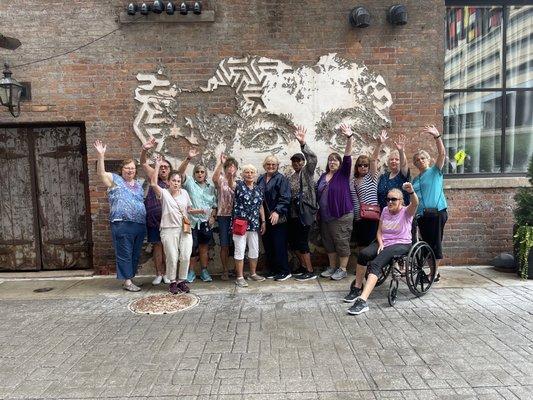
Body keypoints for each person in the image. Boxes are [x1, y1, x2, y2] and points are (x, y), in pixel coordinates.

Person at [346, 183, 419, 315]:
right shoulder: (385, 210)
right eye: (388, 199)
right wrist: (380, 243)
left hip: (401, 244)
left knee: (376, 264)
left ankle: (362, 301)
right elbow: (379, 231)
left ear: (401, 201)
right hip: (384, 242)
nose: (390, 202)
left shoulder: (406, 212)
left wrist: (411, 192)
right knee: (363, 254)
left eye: (394, 199)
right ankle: (357, 288)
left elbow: (415, 204)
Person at [93, 140, 146, 292]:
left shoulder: (139, 184)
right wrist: (101, 155)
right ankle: (127, 282)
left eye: (133, 168)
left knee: (135, 253)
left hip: (139, 224)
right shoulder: (115, 180)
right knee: (125, 253)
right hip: (122, 223)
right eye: (127, 168)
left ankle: (130, 278)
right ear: (121, 169)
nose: (130, 170)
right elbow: (101, 173)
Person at [150, 156, 203, 294]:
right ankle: (172, 281)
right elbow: (154, 184)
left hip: (184, 229)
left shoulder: (185, 193)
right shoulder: (164, 194)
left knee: (185, 255)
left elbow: (189, 209)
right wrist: (156, 166)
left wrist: (200, 211)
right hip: (168, 229)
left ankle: (182, 281)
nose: (176, 183)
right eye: (173, 180)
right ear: (168, 182)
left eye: (178, 181)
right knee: (172, 256)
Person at [317, 124, 354, 281]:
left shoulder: (343, 174)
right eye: (330, 160)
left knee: (341, 242)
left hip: (341, 215)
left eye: (335, 160)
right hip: (325, 216)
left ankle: (343, 269)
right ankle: (332, 267)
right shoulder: (323, 176)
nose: (332, 162)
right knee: (329, 243)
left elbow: (347, 156)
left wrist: (349, 137)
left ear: (339, 164)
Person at [412, 125, 448, 282]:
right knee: (426, 245)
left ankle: (434, 274)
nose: (420, 161)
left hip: (436, 213)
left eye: (423, 158)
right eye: (417, 160)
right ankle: (435, 273)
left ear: (429, 160)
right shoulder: (415, 179)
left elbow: (442, 153)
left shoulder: (435, 171)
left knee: (435, 245)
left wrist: (437, 136)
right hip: (422, 216)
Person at [177, 148, 218, 283]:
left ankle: (204, 271)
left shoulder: (210, 187)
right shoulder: (189, 183)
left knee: (204, 248)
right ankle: (191, 272)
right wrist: (188, 158)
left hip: (205, 223)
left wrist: (213, 216)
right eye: (197, 172)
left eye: (202, 172)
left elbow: (214, 205)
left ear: (205, 174)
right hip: (191, 222)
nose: (200, 174)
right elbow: (180, 172)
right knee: (191, 248)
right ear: (194, 174)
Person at [286, 125, 318, 281]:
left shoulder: (307, 172)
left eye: (299, 161)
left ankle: (310, 271)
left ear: (303, 162)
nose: (297, 163)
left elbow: (313, 159)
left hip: (304, 213)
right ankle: (303, 266)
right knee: (295, 242)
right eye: (294, 161)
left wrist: (303, 144)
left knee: (303, 242)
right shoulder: (291, 177)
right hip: (293, 214)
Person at [140, 137, 171, 285]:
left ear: (170, 170)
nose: (163, 169)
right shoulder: (154, 176)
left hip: (169, 220)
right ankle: (159, 273)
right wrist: (145, 149)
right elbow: (143, 163)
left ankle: (167, 273)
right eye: (161, 167)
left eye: (166, 167)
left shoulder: (173, 182)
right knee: (157, 246)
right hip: (153, 219)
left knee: (167, 247)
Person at [257, 155, 291, 281]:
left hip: (278, 217)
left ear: (277, 166)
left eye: (273, 164)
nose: (270, 166)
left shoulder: (281, 179)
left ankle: (284, 270)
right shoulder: (260, 178)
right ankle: (272, 269)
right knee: (268, 244)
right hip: (264, 218)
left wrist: (277, 211)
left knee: (279, 244)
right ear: (265, 165)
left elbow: (285, 197)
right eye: (268, 164)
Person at [232, 164, 267, 287]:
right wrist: (231, 173)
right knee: (240, 249)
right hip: (240, 224)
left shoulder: (258, 189)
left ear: (256, 174)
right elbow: (230, 183)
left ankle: (252, 274)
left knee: (254, 249)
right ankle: (240, 277)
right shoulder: (238, 185)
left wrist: (263, 221)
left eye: (252, 172)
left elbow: (260, 206)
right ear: (242, 174)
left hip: (254, 223)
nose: (250, 174)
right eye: (247, 172)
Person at [351, 131, 387, 248]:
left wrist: (379, 144)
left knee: (372, 243)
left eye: (365, 165)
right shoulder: (354, 181)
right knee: (361, 244)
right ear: (356, 167)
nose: (363, 167)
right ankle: (364, 266)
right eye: (360, 165)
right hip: (359, 216)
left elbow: (373, 160)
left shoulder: (372, 176)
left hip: (372, 215)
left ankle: (373, 266)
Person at [212, 153, 238, 281]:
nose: (230, 168)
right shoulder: (221, 179)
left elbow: (233, 186)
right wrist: (221, 163)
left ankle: (236, 269)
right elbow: (214, 178)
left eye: (233, 167)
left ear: (236, 169)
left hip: (236, 217)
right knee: (224, 244)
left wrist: (231, 177)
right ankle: (225, 270)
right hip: (223, 216)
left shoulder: (239, 182)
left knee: (237, 244)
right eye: (228, 166)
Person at [377, 134, 410, 210]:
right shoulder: (384, 176)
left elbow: (404, 164)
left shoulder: (402, 175)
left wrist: (401, 151)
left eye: (397, 159)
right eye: (391, 159)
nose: (394, 161)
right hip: (384, 212)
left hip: (399, 213)